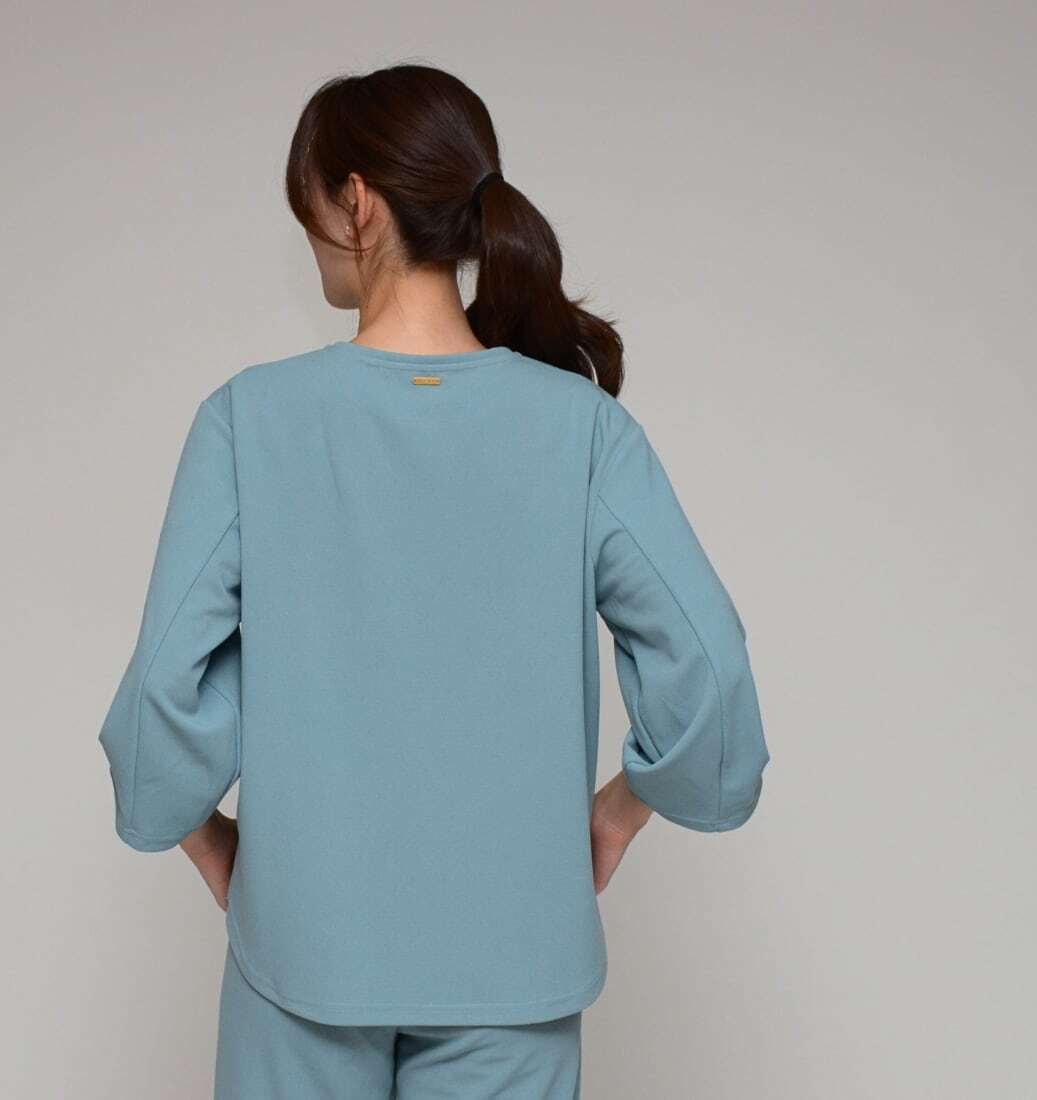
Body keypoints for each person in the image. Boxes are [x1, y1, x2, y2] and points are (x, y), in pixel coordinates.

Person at [97, 63, 771, 1099]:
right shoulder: (583, 429)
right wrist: (623, 806)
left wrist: (204, 836)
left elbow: (159, 693)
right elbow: (710, 667)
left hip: (303, 952)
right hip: (516, 961)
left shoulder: (248, 419)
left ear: (355, 201)